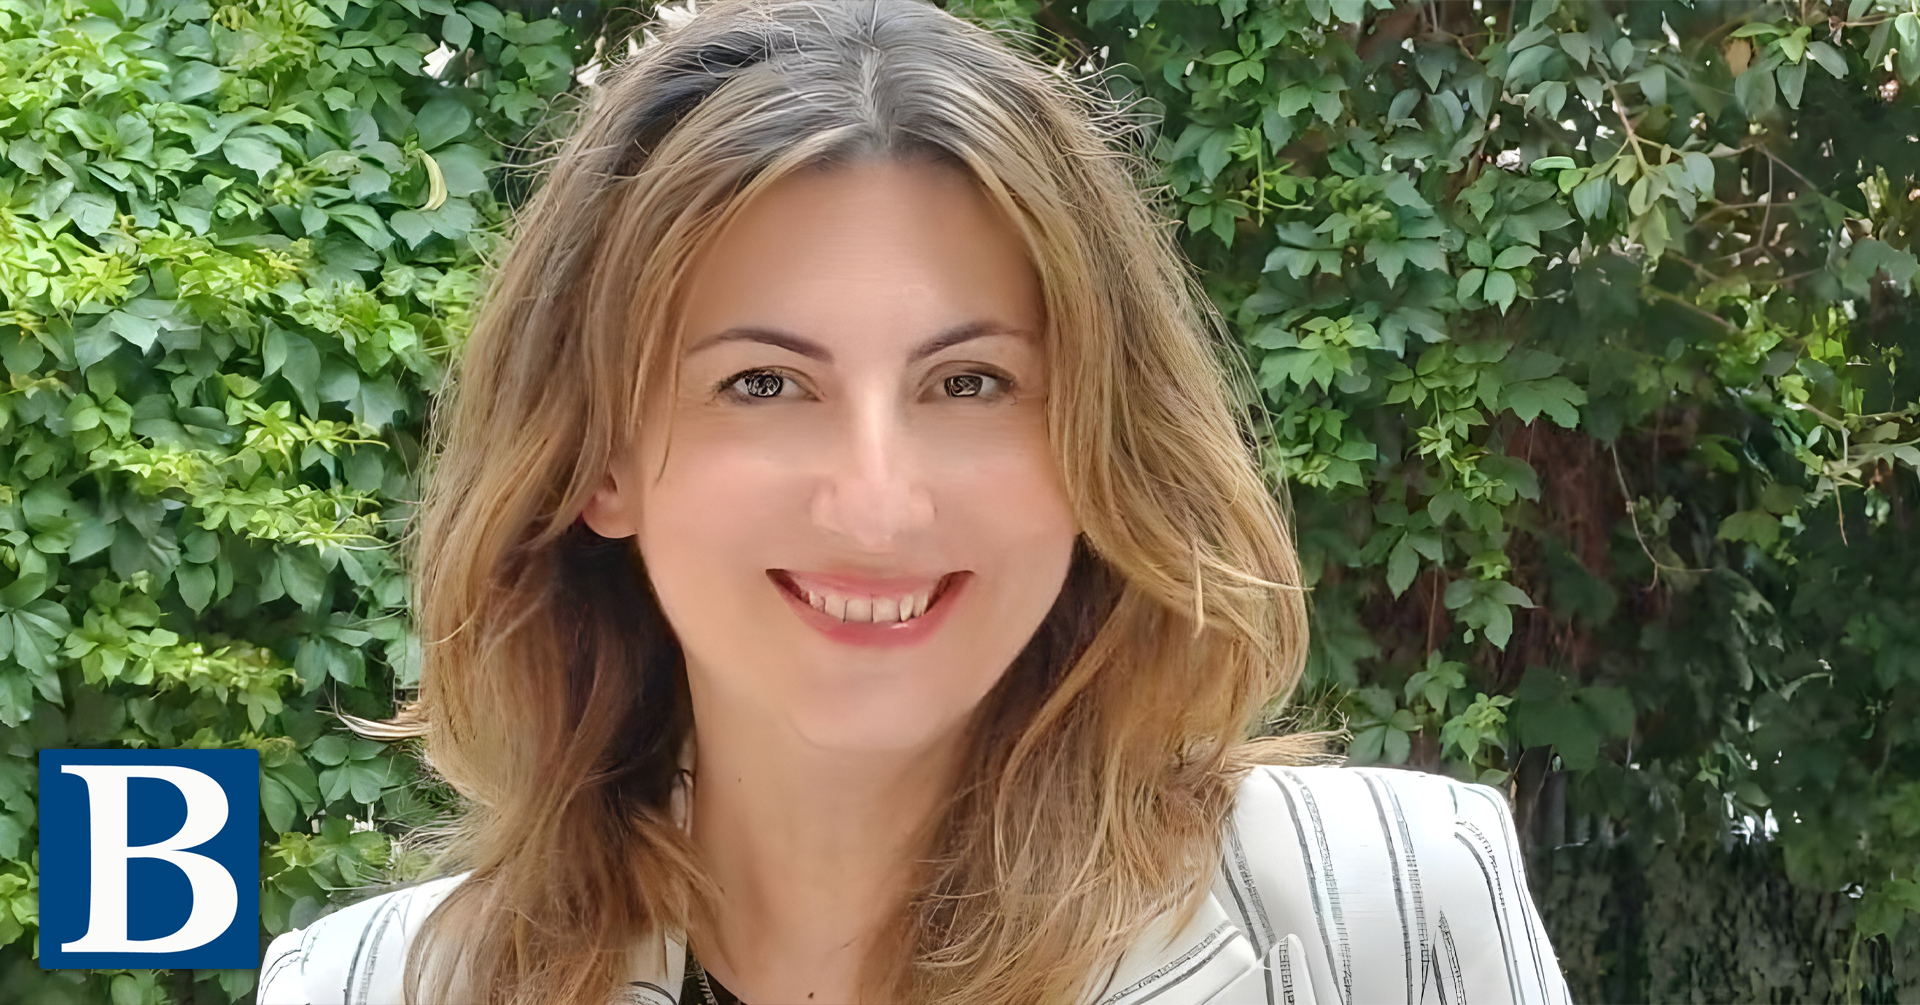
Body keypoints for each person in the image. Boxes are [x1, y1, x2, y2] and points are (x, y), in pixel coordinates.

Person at [257, 1, 1574, 1002]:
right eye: (764, 384)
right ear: (597, 460)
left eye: (970, 382)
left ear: (1096, 441)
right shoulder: (360, 987)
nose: (878, 505)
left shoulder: (1388, 909)